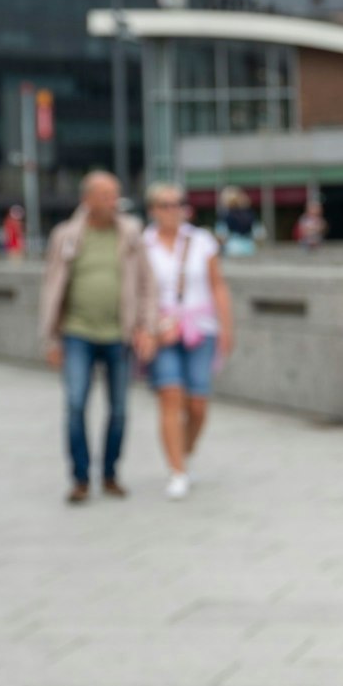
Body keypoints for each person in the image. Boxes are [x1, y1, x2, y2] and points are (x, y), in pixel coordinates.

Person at [38, 171, 157, 504]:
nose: (112, 202)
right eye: (105, 195)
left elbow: (148, 284)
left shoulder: (131, 233)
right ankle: (79, 478)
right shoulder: (66, 235)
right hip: (77, 333)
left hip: (120, 334)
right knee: (75, 405)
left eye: (115, 195)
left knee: (119, 409)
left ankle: (109, 474)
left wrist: (146, 326)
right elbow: (50, 287)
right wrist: (51, 340)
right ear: (87, 199)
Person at [142, 182, 233, 501]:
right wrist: (146, 328)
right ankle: (177, 470)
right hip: (162, 330)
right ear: (153, 209)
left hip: (201, 326)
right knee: (170, 395)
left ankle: (185, 451)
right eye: (165, 204)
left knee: (197, 404)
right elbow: (138, 293)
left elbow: (218, 285)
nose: (172, 210)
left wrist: (227, 328)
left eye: (178, 203)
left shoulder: (201, 241)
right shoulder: (143, 245)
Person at [217, 186, 261, 257]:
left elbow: (221, 235)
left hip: (233, 247)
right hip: (249, 246)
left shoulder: (226, 215)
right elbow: (259, 234)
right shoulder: (250, 214)